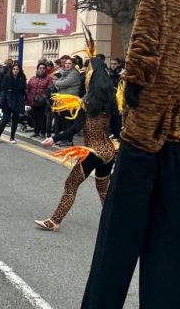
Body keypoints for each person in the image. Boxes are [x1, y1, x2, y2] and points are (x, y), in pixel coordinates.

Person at [81, 0, 180, 309]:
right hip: (175, 134)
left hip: (142, 134)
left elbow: (141, 55)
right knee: (169, 244)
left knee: (116, 243)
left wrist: (133, 96)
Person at [36, 56, 116, 231]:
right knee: (104, 191)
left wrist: (54, 138)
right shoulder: (112, 101)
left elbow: (75, 128)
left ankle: (55, 221)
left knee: (70, 185)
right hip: (109, 152)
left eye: (87, 72)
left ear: (92, 77)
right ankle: (115, 225)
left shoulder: (86, 102)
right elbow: (117, 130)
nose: (85, 75)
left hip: (92, 152)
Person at [0, 64, 26, 143]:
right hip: (7, 101)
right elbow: (4, 87)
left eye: (17, 69)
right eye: (14, 69)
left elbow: (22, 88)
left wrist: (11, 90)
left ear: (19, 70)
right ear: (11, 70)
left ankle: (12, 137)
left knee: (15, 120)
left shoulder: (22, 78)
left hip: (17, 100)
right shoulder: (7, 77)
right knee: (5, 119)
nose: (15, 71)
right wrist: (12, 90)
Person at [27, 63, 53, 138]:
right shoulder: (33, 78)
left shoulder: (49, 78)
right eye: (40, 68)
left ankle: (42, 132)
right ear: (37, 69)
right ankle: (36, 132)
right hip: (34, 101)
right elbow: (28, 88)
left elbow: (50, 89)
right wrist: (28, 98)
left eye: (43, 68)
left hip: (43, 102)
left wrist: (44, 97)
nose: (42, 69)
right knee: (35, 117)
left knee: (43, 118)